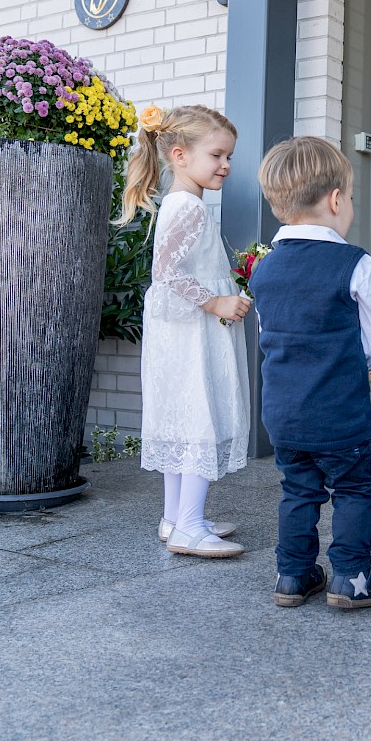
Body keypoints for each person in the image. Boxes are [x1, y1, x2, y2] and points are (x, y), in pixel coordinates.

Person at [250, 136, 371, 608]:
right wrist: (353, 364)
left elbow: (267, 335)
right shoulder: (355, 264)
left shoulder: (264, 271)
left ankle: (292, 576)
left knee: (298, 489)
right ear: (336, 199)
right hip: (338, 410)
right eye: (350, 197)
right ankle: (351, 579)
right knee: (353, 488)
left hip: (284, 413)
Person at [118, 104, 251, 558]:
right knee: (198, 418)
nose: (226, 165)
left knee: (180, 419)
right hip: (193, 333)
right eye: (217, 155)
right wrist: (218, 302)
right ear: (179, 154)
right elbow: (168, 272)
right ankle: (189, 526)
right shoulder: (189, 208)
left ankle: (175, 516)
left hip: (181, 331)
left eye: (228, 156)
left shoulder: (180, 204)